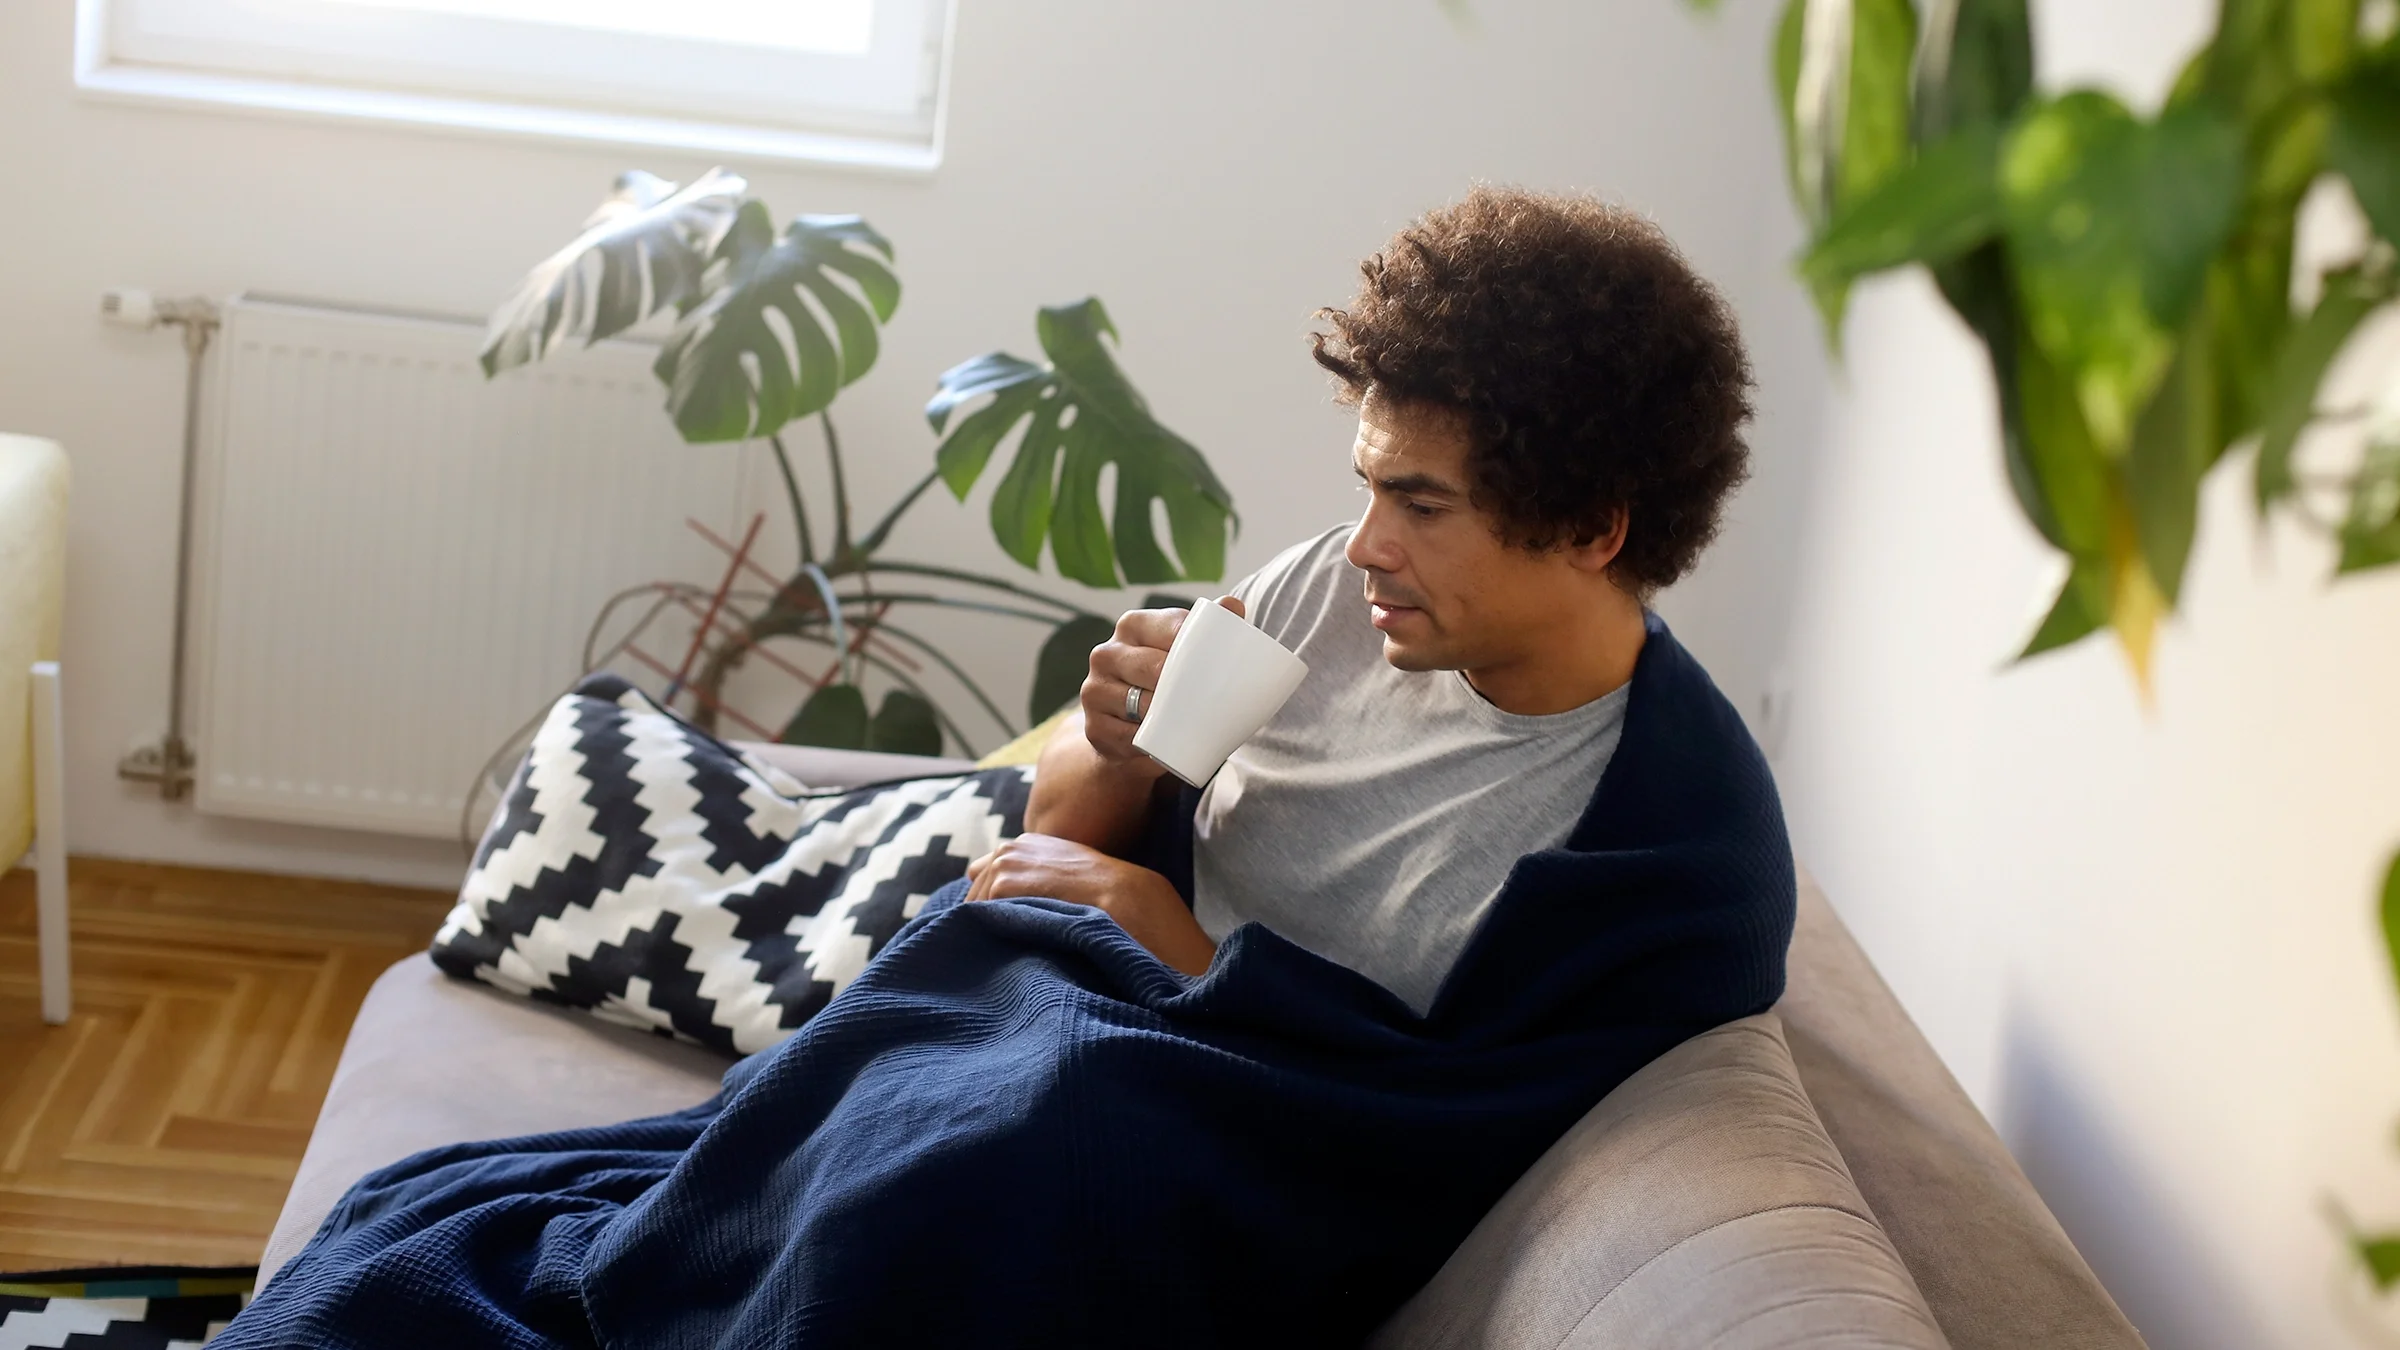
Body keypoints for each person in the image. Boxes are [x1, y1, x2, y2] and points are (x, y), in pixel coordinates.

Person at [965, 184, 1758, 1018]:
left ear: (1592, 529)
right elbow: (1050, 839)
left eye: (1421, 507)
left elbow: (1426, 1118)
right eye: (1369, 489)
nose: (1361, 547)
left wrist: (1159, 929)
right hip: (1057, 987)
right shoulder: (1328, 594)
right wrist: (1116, 753)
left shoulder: (1665, 839)